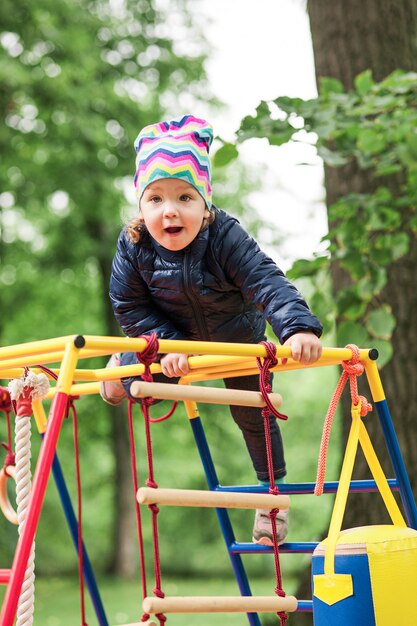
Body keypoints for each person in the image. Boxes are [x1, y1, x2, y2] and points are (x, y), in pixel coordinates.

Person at [101, 114, 323, 546]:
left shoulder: (225, 237)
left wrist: (297, 328)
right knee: (132, 371)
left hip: (235, 343)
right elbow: (129, 304)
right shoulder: (133, 246)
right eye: (156, 199)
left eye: (185, 196)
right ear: (141, 207)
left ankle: (270, 498)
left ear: (205, 205)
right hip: (169, 341)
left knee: (255, 412)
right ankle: (119, 373)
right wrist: (168, 348)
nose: (171, 210)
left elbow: (266, 280)